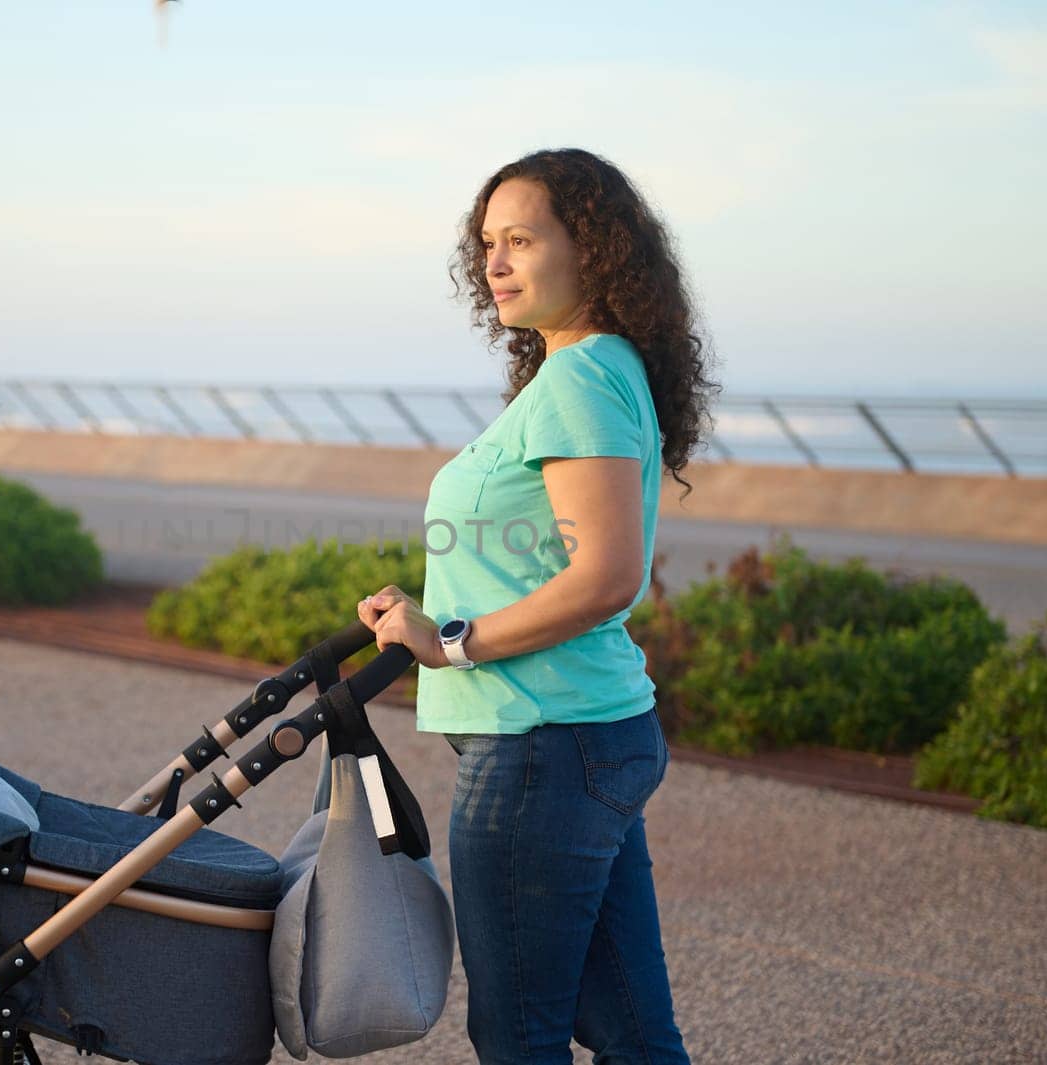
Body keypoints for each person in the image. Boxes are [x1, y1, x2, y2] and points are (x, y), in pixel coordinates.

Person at [357, 147, 715, 1064]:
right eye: (488, 243)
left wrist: (452, 640)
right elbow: (543, 559)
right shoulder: (589, 371)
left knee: (519, 1036)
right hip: (575, 736)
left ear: (593, 251)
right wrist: (430, 609)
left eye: (522, 238)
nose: (497, 262)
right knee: (634, 1035)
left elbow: (603, 577)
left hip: (544, 746)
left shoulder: (582, 378)